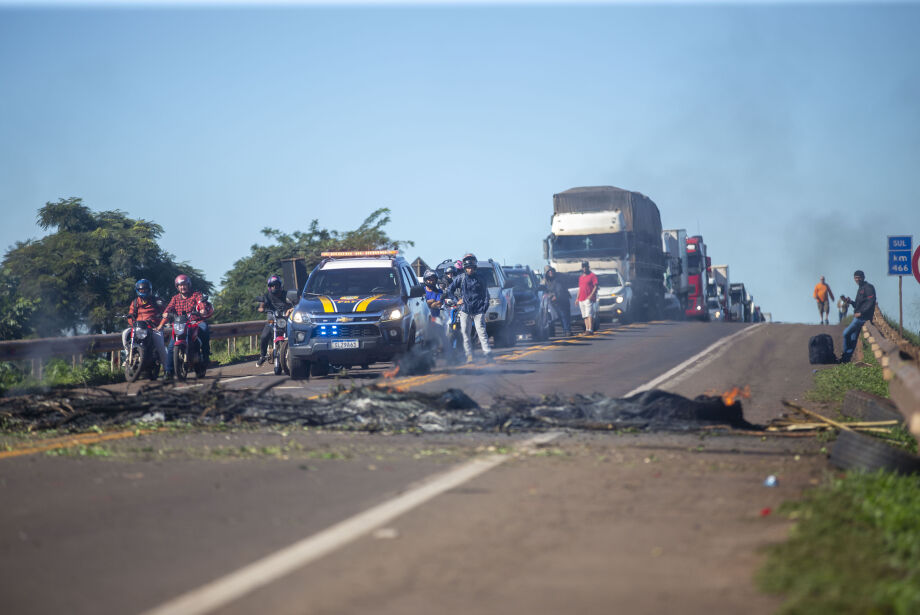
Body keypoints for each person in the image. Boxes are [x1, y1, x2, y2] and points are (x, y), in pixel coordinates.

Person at [157, 274, 212, 379]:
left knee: (204, 329)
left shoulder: (196, 295)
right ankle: (169, 372)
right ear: (177, 287)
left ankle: (205, 356)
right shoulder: (175, 298)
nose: (183, 287)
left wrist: (202, 309)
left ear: (188, 285)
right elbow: (168, 309)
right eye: (180, 285)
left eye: (184, 285)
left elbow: (201, 303)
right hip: (180, 324)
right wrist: (165, 315)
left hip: (195, 322)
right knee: (171, 347)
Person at [444, 254, 493, 364]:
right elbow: (449, 291)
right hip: (465, 310)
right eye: (468, 268)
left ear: (475, 267)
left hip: (478, 310)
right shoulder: (460, 278)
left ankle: (488, 354)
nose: (470, 270)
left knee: (482, 332)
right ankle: (469, 355)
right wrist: (457, 301)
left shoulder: (481, 278)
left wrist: (484, 308)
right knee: (465, 334)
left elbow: (486, 295)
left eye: (472, 267)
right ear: (465, 268)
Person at [122, 278, 168, 368]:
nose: (143, 291)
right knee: (125, 333)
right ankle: (129, 357)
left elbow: (165, 314)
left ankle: (168, 369)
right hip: (138, 327)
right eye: (141, 290)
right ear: (137, 290)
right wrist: (132, 322)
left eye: (145, 290)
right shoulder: (135, 302)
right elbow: (131, 314)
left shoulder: (156, 301)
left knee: (160, 346)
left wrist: (160, 324)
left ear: (149, 290)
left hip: (154, 327)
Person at [838, 270, 876, 363]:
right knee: (853, 339)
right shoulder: (861, 288)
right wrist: (851, 302)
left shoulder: (868, 287)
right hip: (859, 317)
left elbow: (871, 303)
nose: (857, 279)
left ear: (863, 277)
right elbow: (859, 305)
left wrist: (861, 313)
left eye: (859, 277)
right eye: (855, 277)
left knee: (846, 333)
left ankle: (845, 356)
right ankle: (845, 359)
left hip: (862, 318)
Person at [257, 275, 295, 366]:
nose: (275, 287)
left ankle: (297, 355)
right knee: (264, 337)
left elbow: (296, 303)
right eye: (273, 285)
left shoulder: (286, 295)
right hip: (271, 321)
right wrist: (262, 309)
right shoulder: (267, 296)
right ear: (270, 287)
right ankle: (262, 356)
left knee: (296, 335)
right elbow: (261, 306)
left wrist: (292, 309)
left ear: (280, 285)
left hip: (285, 320)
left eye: (276, 285)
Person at [543, 266, 572, 336]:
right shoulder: (547, 281)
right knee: (561, 316)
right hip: (555, 302)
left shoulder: (557, 279)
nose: (550, 272)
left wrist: (556, 296)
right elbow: (545, 289)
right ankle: (566, 330)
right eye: (548, 271)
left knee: (564, 315)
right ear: (546, 273)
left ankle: (567, 330)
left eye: (551, 270)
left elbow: (560, 289)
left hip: (563, 299)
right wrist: (545, 294)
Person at [576, 260, 599, 334]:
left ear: (588, 267)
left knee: (589, 314)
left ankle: (590, 329)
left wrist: (591, 295)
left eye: (585, 266)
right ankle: (587, 329)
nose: (584, 268)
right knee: (584, 315)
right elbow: (580, 288)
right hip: (581, 298)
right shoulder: (581, 277)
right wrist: (577, 298)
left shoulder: (592, 275)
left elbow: (595, 286)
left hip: (588, 298)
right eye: (583, 267)